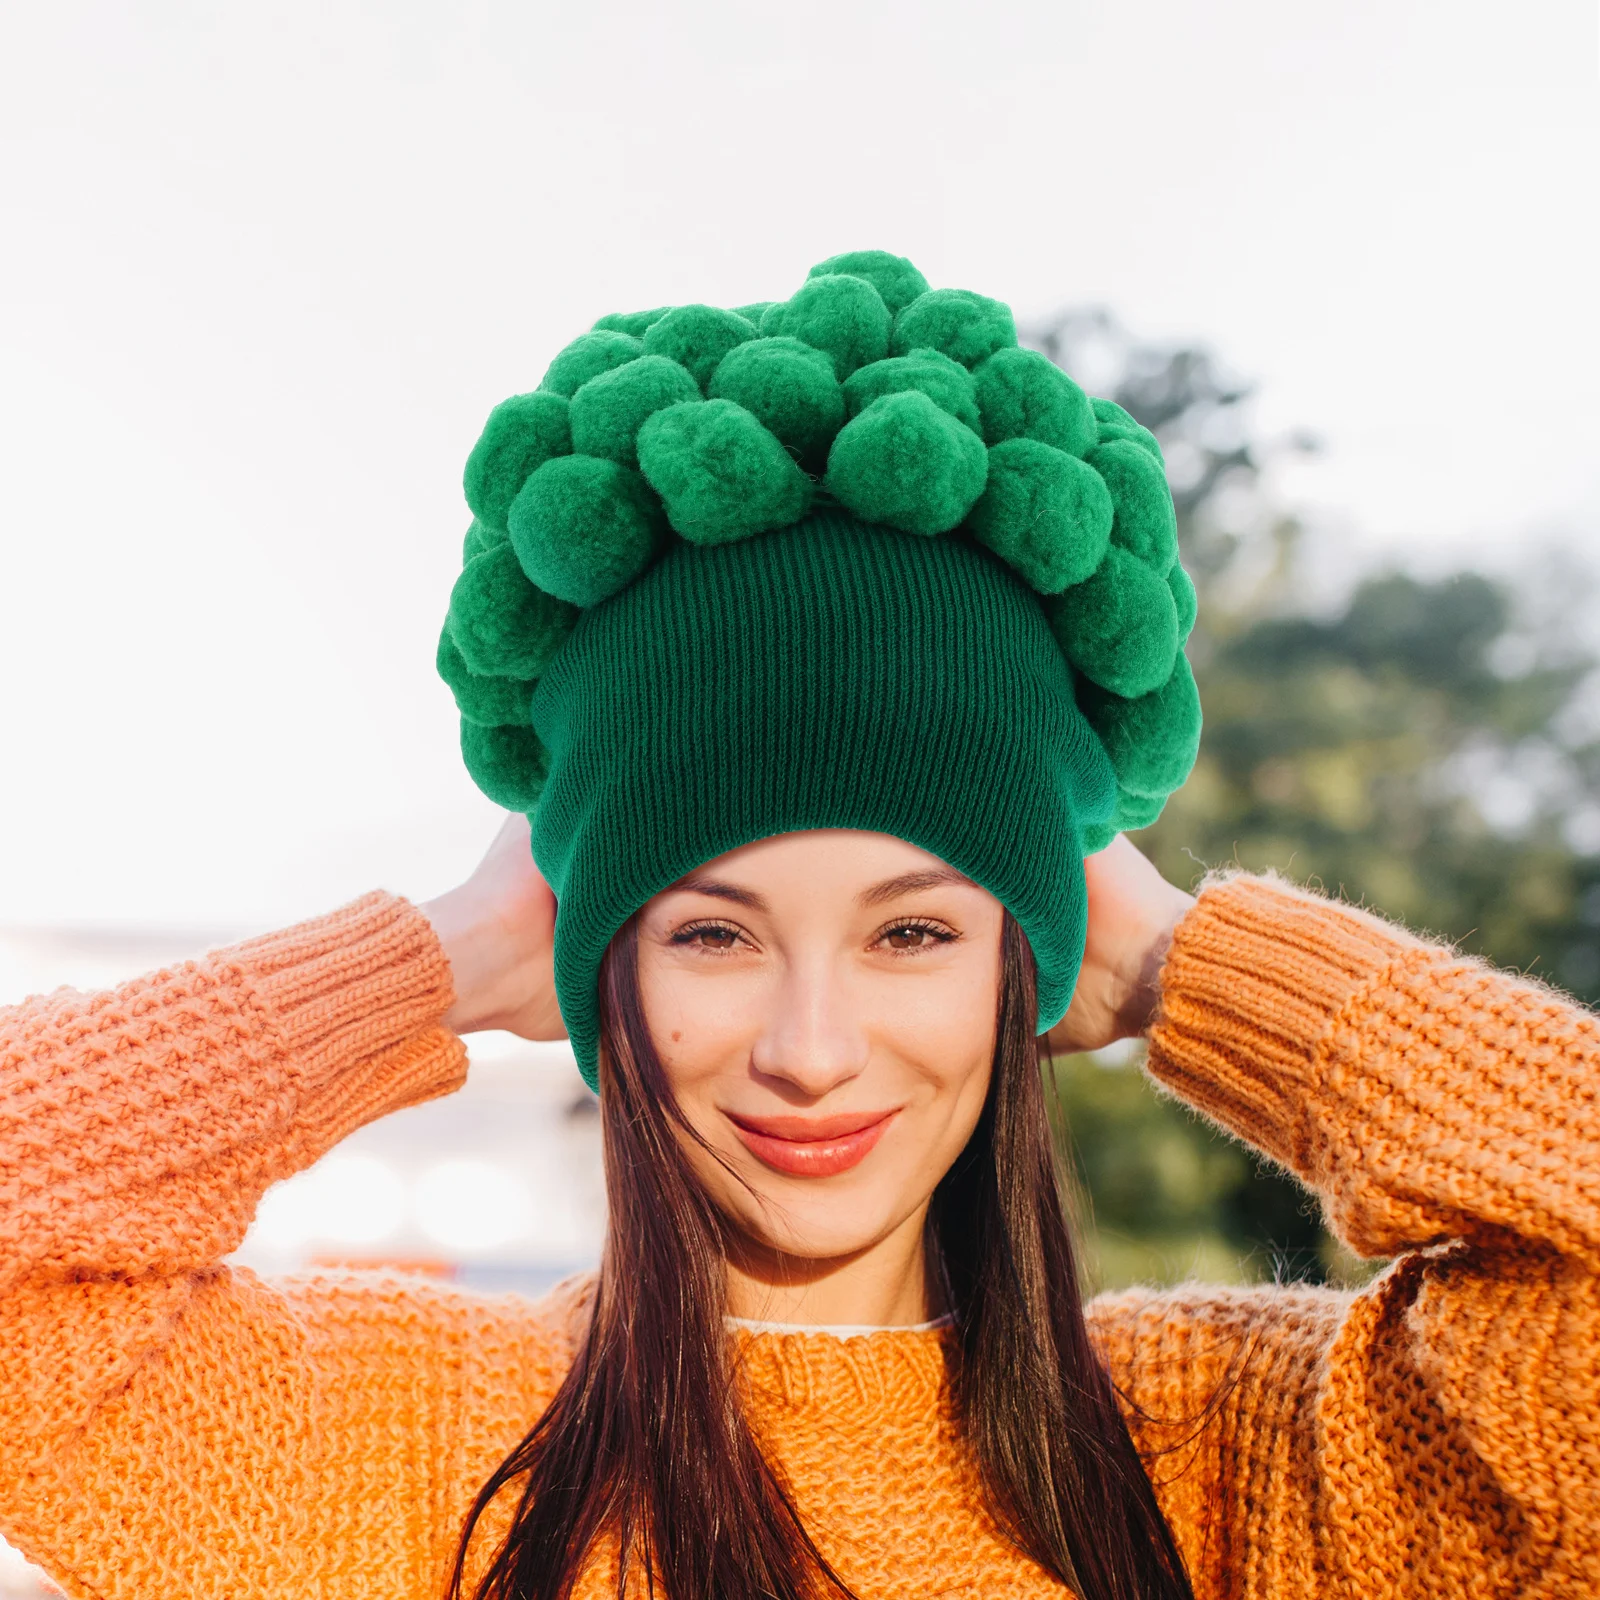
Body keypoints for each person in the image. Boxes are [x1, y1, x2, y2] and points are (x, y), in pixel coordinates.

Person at [2, 251, 1595, 1600]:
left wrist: (1193, 971)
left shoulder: (1236, 1459)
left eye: (913, 935)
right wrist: (444, 959)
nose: (812, 1053)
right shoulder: (398, 1440)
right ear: (602, 960)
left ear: (1021, 962)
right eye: (712, 935)